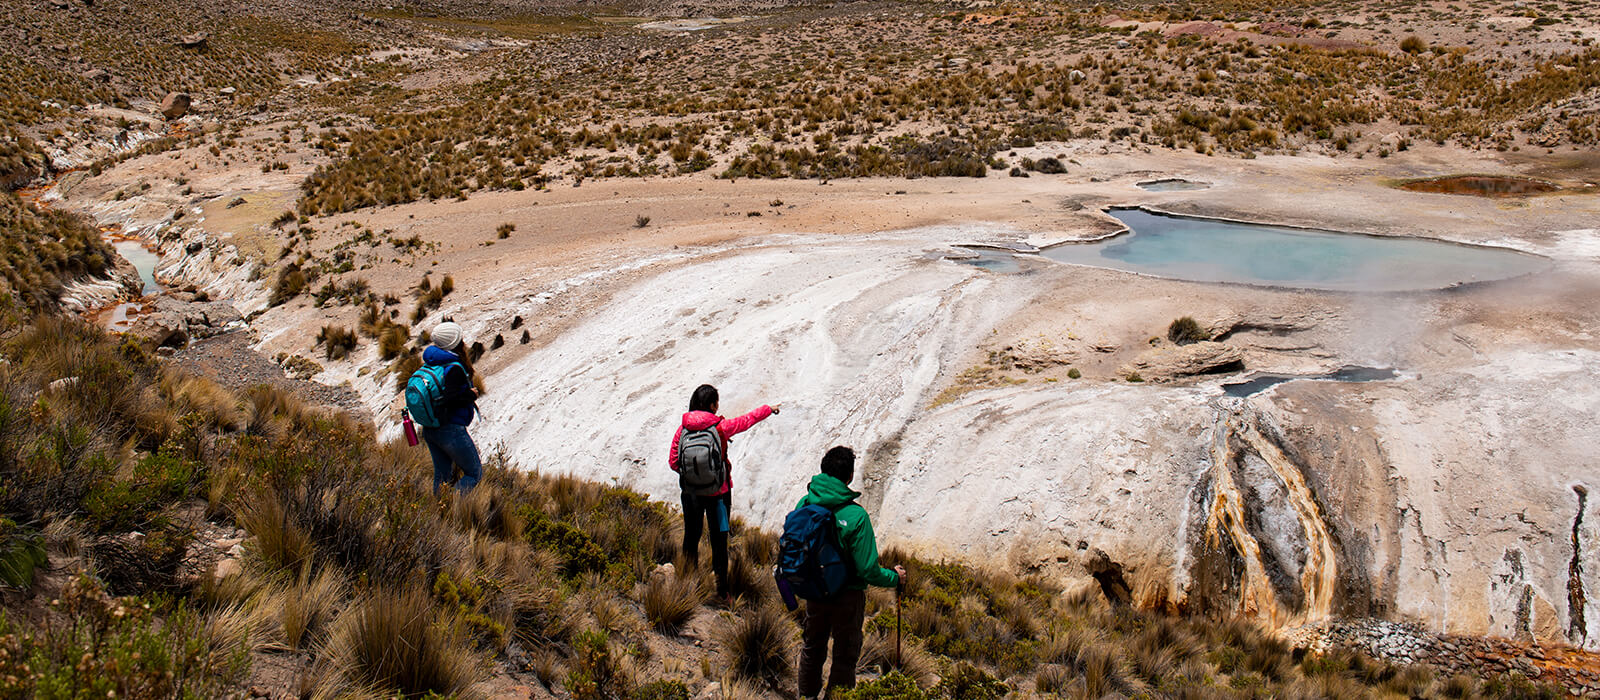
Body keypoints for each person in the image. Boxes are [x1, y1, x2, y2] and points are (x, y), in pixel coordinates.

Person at [795, 446, 905, 700]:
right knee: (845, 655)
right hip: (847, 596)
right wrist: (894, 578)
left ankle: (806, 696)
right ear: (849, 477)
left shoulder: (805, 503)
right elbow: (867, 569)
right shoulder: (856, 516)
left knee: (812, 647)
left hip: (815, 590)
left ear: (823, 470)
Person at [668, 383, 779, 601]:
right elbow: (747, 421)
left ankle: (686, 586)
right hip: (719, 495)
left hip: (690, 494)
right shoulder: (720, 427)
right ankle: (722, 592)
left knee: (691, 537)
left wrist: (693, 475)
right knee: (719, 541)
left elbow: (673, 462)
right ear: (712, 404)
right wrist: (769, 408)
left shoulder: (683, 429)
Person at [420, 321, 483, 495]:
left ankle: (439, 512)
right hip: (450, 429)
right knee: (474, 473)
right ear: (455, 342)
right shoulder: (453, 367)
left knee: (442, 476)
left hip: (431, 428)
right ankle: (452, 507)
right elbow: (451, 399)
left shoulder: (432, 361)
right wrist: (471, 395)